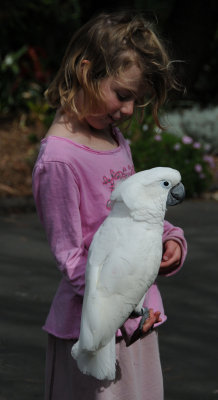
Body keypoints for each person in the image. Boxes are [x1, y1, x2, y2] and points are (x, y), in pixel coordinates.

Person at [32, 11, 187, 400]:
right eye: (123, 94)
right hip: (96, 326)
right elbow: (70, 257)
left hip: (138, 321)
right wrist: (118, 308)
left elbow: (136, 217)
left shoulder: (117, 140)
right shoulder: (59, 160)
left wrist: (168, 240)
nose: (130, 110)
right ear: (86, 71)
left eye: (138, 100)